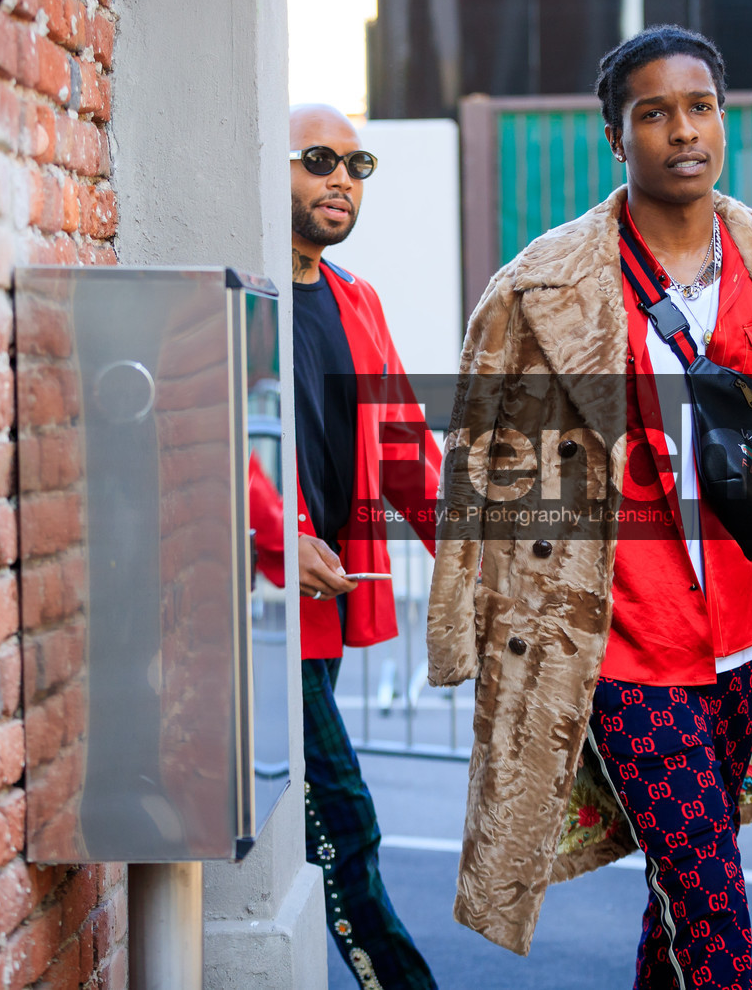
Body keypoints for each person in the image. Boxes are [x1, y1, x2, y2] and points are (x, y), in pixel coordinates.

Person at [425, 27, 752, 986]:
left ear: (724, 118)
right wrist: (461, 634)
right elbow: (477, 470)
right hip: (623, 642)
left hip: (750, 638)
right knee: (714, 908)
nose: (683, 130)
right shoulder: (538, 288)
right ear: (615, 137)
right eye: (654, 112)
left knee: (681, 891)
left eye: (700, 105)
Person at [249, 104, 441, 989]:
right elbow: (210, 435)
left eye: (357, 164)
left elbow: (405, 445)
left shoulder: (356, 298)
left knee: (312, 818)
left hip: (316, 613)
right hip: (252, 608)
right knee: (346, 821)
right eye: (318, 159)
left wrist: (475, 556)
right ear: (269, 164)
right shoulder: (247, 289)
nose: (341, 180)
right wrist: (284, 538)